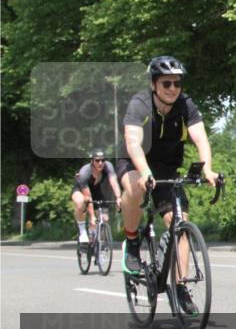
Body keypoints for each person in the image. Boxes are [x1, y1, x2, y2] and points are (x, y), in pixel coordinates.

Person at [118, 56, 218, 315]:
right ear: (154, 84)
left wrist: (206, 168)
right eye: (166, 83)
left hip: (165, 167)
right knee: (134, 189)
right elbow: (132, 143)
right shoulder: (140, 104)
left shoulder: (186, 105)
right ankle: (131, 242)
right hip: (134, 161)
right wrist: (144, 171)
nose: (173, 88)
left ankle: (180, 285)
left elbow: (201, 139)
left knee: (179, 221)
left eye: (177, 83)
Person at [71, 150, 122, 244]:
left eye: (103, 160)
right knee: (81, 202)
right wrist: (92, 216)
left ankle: (99, 246)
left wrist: (118, 197)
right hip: (81, 191)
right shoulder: (84, 172)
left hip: (96, 190)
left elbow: (113, 182)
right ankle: (82, 232)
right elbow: (88, 196)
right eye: (97, 160)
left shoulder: (108, 166)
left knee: (105, 219)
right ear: (92, 161)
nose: (101, 163)